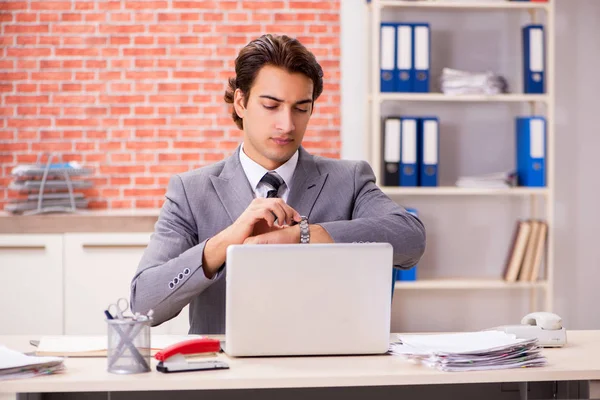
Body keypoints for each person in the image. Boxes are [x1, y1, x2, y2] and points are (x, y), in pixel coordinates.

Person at [130, 34, 426, 334]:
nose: (287, 124)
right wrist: (226, 242)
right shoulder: (191, 191)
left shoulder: (348, 180)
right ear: (241, 103)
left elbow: (410, 238)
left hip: (325, 370)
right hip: (225, 374)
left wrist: (304, 235)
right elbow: (143, 305)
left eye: (301, 108)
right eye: (271, 105)